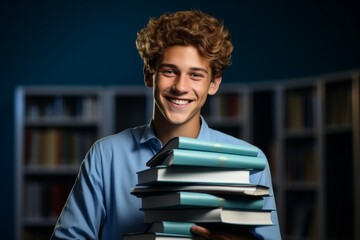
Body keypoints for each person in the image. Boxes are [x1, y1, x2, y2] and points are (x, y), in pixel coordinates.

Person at [51, 9, 281, 240]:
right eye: (170, 71)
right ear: (149, 74)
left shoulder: (252, 163)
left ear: (214, 84)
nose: (181, 86)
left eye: (196, 75)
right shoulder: (105, 156)